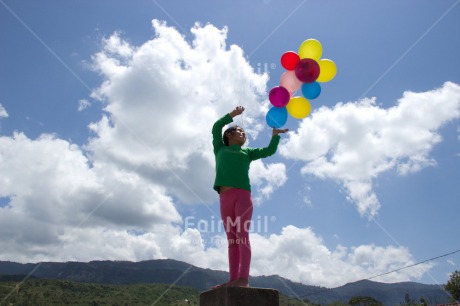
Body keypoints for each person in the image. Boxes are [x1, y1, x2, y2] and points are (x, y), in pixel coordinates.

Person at [212, 106, 288, 288]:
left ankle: (243, 279)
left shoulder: (248, 153)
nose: (243, 134)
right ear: (228, 135)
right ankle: (233, 280)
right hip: (225, 198)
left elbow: (268, 151)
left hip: (243, 196)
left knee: (241, 235)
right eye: (239, 131)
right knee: (232, 240)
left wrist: (275, 136)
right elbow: (216, 127)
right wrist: (231, 115)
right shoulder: (219, 148)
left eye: (244, 133)